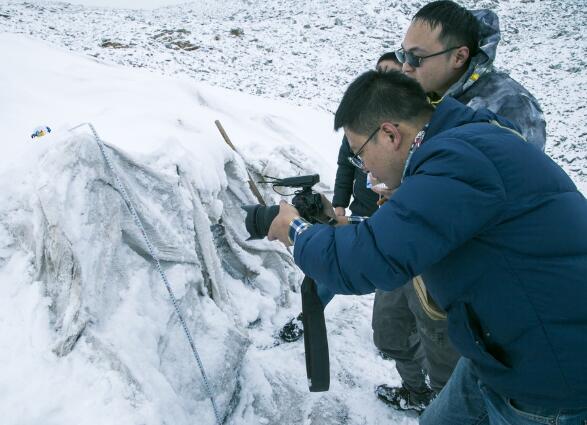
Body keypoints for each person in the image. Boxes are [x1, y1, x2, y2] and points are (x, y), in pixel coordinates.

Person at [267, 70, 587, 425]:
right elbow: (423, 231)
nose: (365, 167)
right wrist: (349, 225)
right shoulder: (461, 145)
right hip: (501, 353)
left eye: (360, 154)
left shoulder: (459, 161)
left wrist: (291, 228)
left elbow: (367, 262)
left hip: (549, 380)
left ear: (389, 134)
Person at [369, 0, 548, 412]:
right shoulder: (422, 97)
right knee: (390, 332)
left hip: (456, 264)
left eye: (414, 57)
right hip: (408, 241)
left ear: (459, 56)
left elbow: (510, 200)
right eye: (401, 55)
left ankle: (443, 399)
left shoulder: (509, 105)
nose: (405, 67)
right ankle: (416, 393)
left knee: (450, 362)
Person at [332, 52, 402, 218]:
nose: (384, 80)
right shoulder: (359, 118)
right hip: (362, 210)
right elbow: (346, 163)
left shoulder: (411, 121)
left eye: (392, 74)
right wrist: (340, 203)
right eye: (380, 72)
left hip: (394, 213)